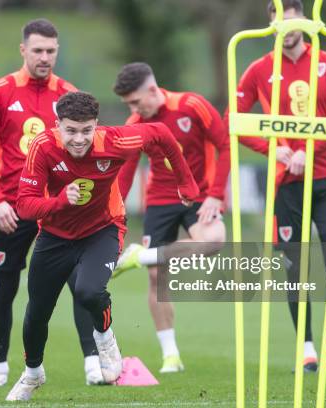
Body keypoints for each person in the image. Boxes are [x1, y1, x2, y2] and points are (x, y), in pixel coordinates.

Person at [5, 91, 199, 401]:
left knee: (88, 292)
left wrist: (185, 182)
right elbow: (25, 206)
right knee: (36, 314)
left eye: (86, 130)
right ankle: (32, 373)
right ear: (58, 126)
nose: (79, 139)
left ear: (96, 125)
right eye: (70, 130)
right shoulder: (42, 147)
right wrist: (58, 202)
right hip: (55, 236)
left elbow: (161, 134)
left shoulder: (115, 141)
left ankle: (105, 338)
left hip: (102, 229)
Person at [0, 18, 103, 387]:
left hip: (59, 207)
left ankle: (92, 362)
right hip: (12, 210)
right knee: (6, 287)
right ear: (23, 50)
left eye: (51, 51)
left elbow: (84, 151)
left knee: (80, 284)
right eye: (38, 51)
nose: (45, 57)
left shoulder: (69, 94)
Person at [234, 0, 326, 372]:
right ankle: (306, 347)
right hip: (287, 184)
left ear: (305, 21)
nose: (289, 28)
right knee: (295, 265)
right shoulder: (258, 69)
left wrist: (308, 148)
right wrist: (281, 150)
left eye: (294, 20)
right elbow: (234, 120)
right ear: (271, 23)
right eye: (281, 21)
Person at [109, 62, 230, 373]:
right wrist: (115, 213)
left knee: (214, 241)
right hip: (160, 200)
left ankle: (142, 255)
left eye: (136, 101)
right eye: (129, 105)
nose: (134, 109)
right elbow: (125, 172)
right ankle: (170, 356)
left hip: (199, 196)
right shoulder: (135, 123)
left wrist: (217, 193)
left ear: (152, 89)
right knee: (156, 278)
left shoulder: (192, 105)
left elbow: (226, 145)